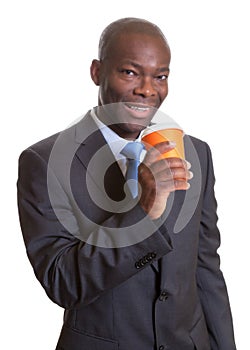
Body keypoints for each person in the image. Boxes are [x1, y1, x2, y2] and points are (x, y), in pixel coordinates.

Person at [17, 17, 237, 350]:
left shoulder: (196, 153)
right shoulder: (45, 163)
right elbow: (62, 284)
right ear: (97, 72)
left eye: (160, 76)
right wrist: (142, 212)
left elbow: (206, 269)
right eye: (130, 72)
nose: (148, 89)